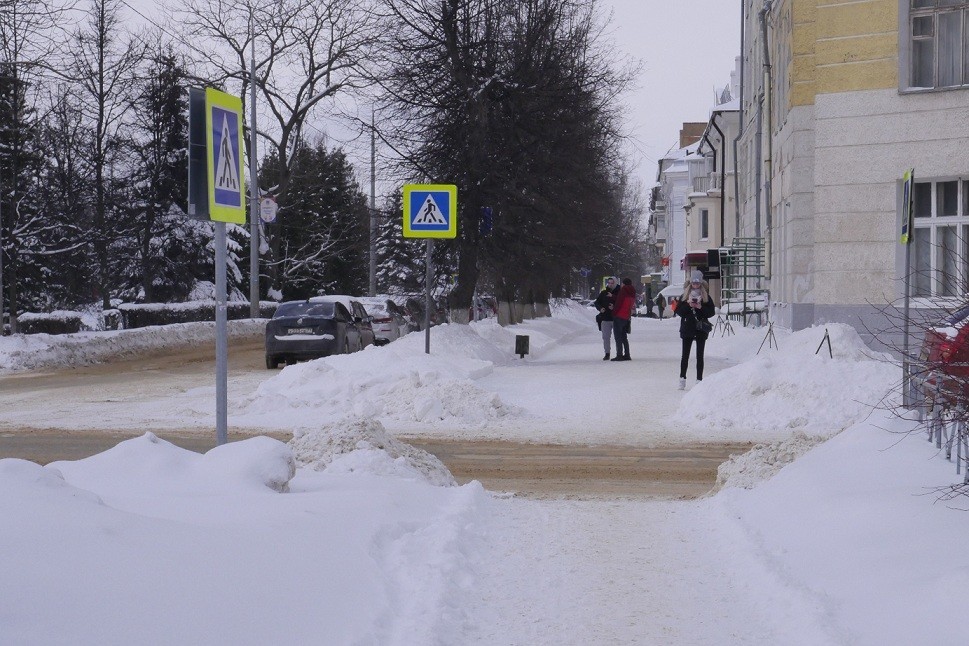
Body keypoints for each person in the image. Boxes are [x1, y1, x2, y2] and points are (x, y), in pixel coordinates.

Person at [675, 270, 716, 388]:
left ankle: (699, 379)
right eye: (693, 283)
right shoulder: (685, 295)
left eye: (698, 283)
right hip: (687, 328)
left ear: (701, 284)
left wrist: (700, 307)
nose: (695, 285)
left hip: (700, 329)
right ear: (690, 283)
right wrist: (688, 305)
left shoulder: (705, 296)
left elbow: (711, 312)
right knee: (685, 355)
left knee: (700, 355)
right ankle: (682, 378)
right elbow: (679, 311)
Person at [611, 277, 637, 361]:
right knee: (624, 337)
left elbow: (619, 302)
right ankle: (627, 354)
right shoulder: (632, 292)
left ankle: (619, 355)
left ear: (624, 284)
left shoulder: (623, 291)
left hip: (619, 316)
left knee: (618, 336)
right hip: (626, 316)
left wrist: (613, 312)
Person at [594, 277, 618, 360]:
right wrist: (600, 308)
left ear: (615, 283)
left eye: (612, 283)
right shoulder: (603, 293)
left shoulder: (619, 292)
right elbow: (597, 302)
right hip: (605, 318)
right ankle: (607, 353)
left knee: (618, 337)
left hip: (616, 318)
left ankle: (619, 353)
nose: (610, 285)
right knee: (606, 337)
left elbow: (622, 304)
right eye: (609, 283)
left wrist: (614, 307)